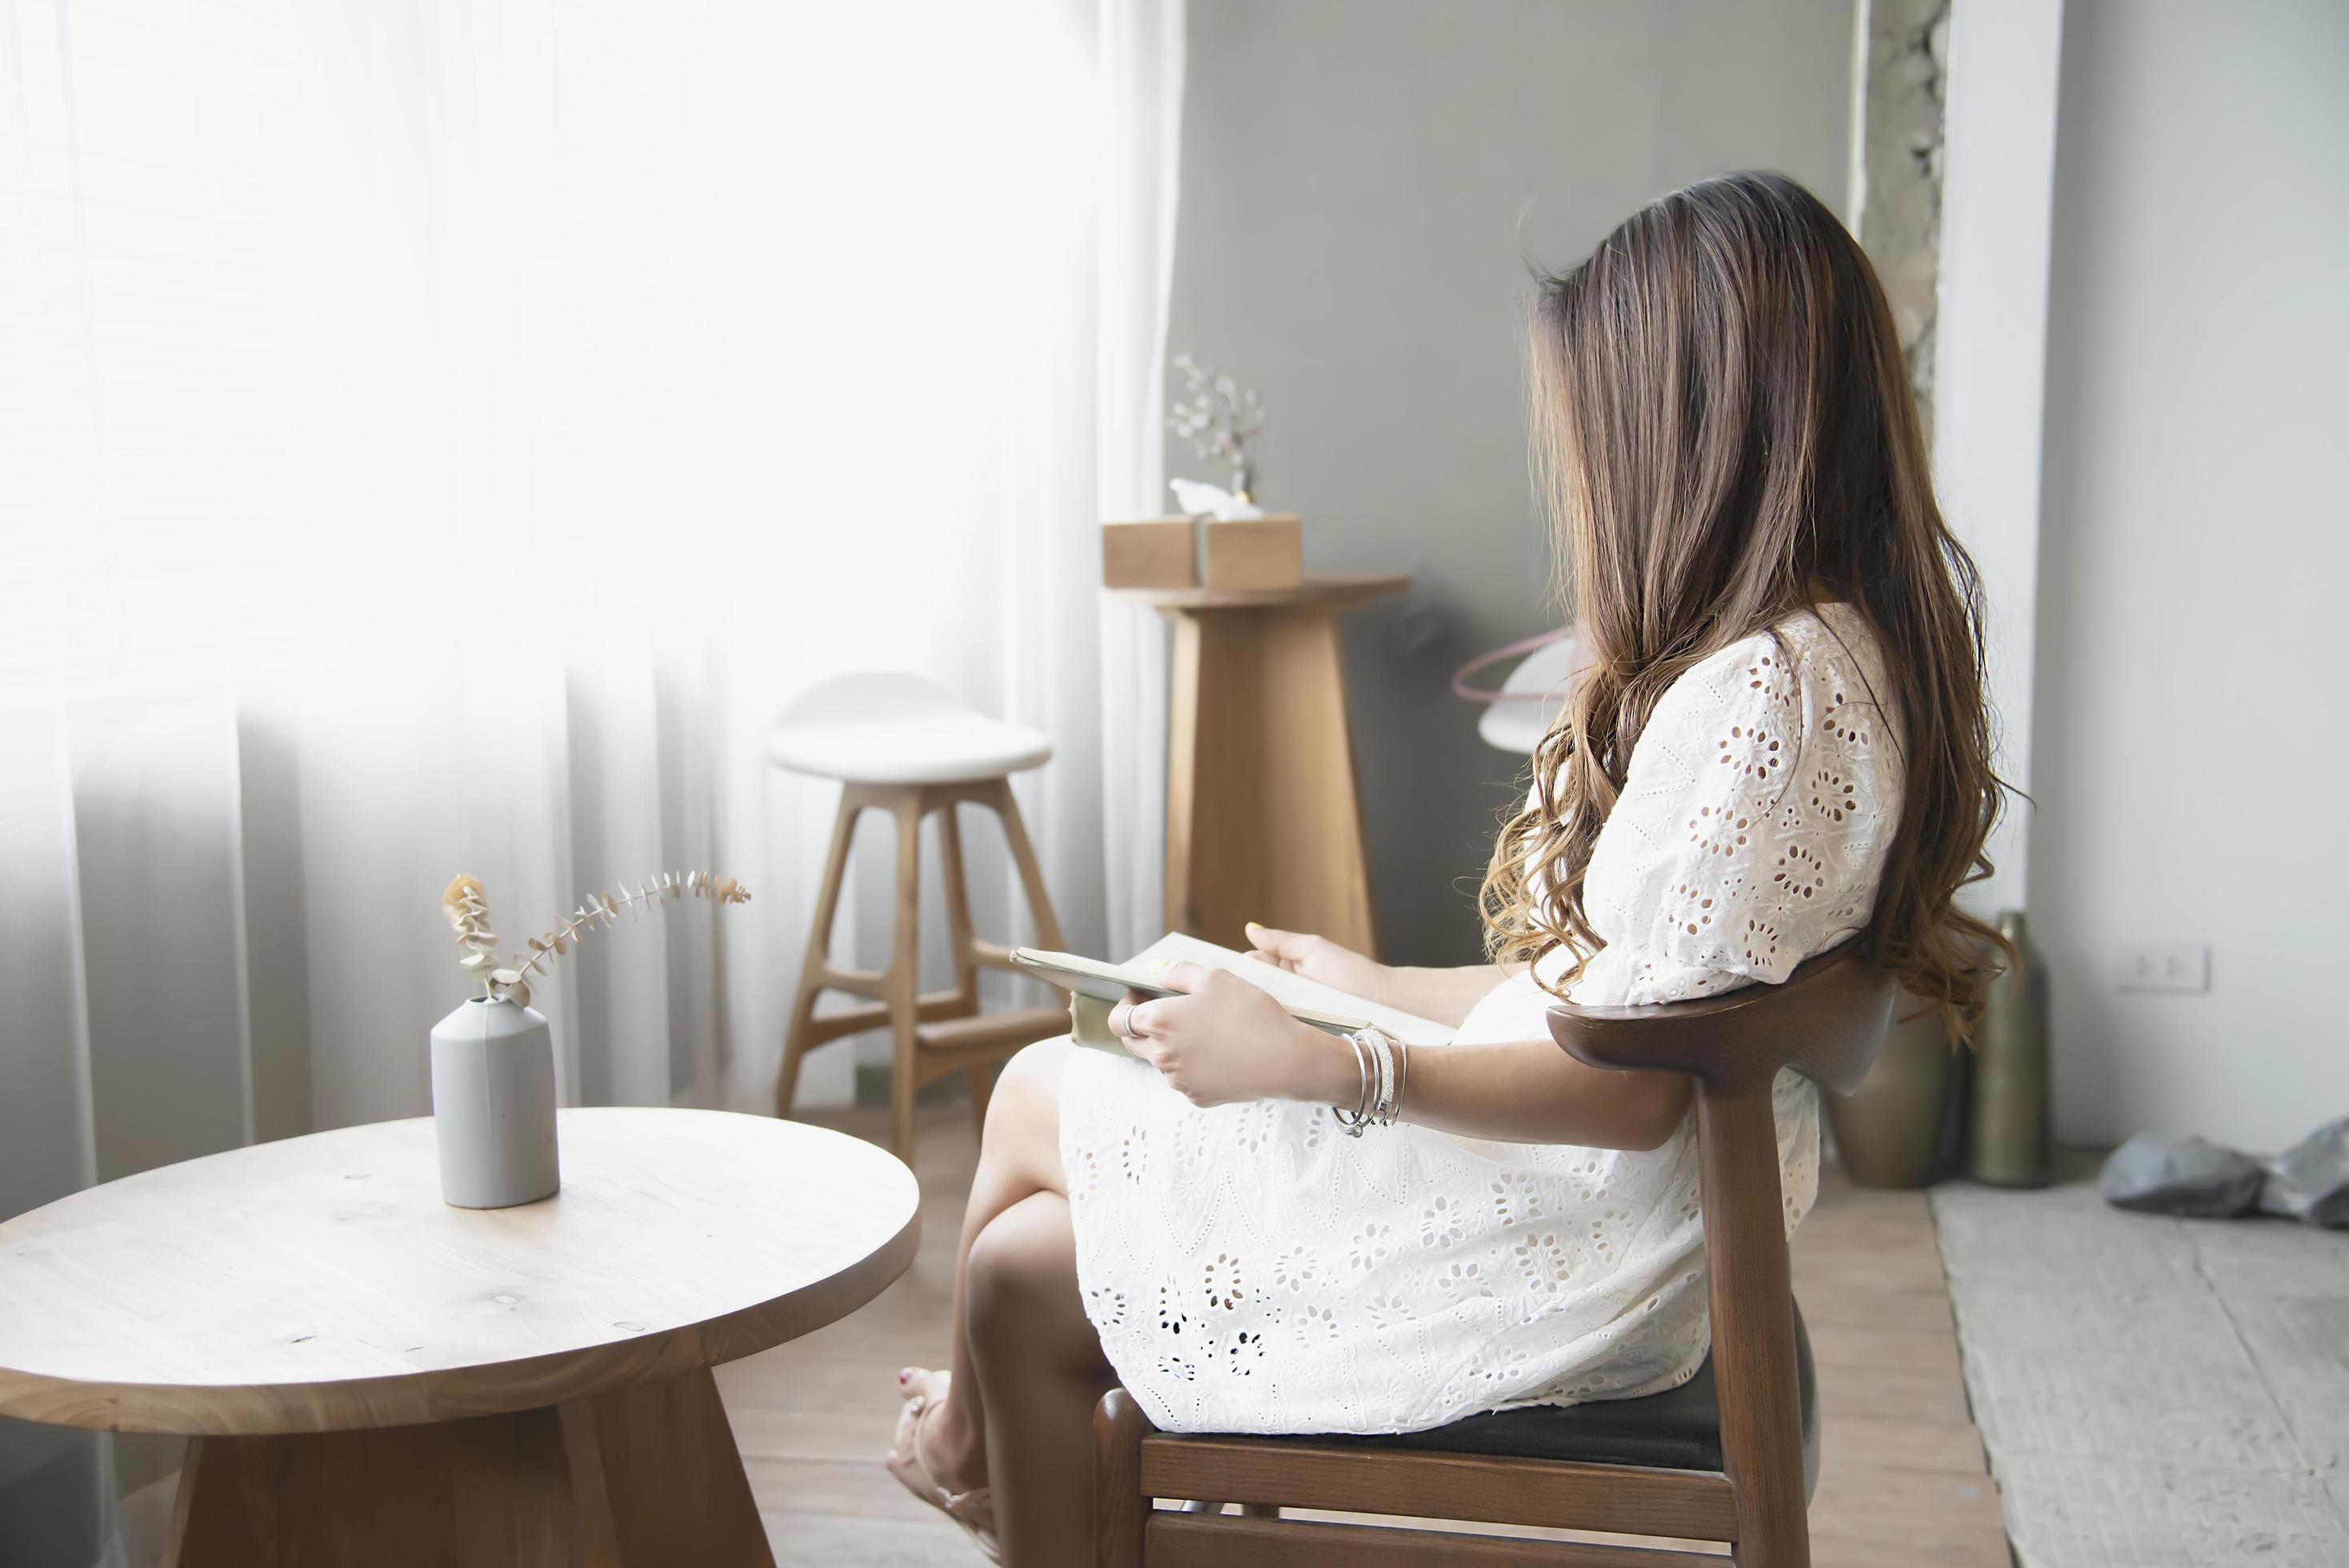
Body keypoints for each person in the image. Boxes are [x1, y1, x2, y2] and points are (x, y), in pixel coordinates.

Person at [883, 169, 2008, 1566]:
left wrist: (1331, 1062)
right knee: (1013, 1264)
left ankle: (964, 1452)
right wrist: (1378, 982)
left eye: (1603, 429)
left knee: (1041, 1088)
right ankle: (976, 1453)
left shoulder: (1765, 697)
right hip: (1612, 1208)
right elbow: (1635, 995)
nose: (1592, 475)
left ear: (1698, 425)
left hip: (1590, 1247)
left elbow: (1640, 1088)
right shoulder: (1829, 657)